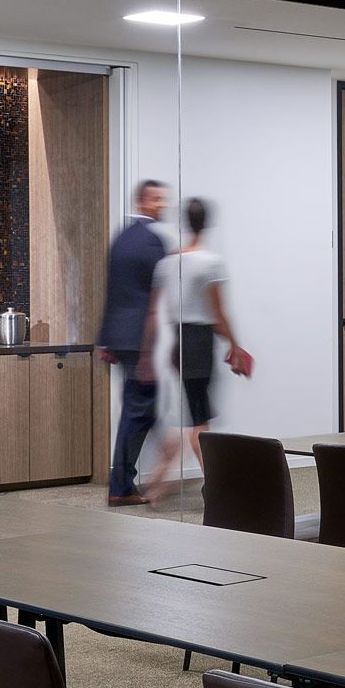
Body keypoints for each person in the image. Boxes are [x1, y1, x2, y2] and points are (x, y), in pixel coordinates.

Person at [145, 197, 249, 501]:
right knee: (199, 417)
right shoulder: (210, 262)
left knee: (193, 412)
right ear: (207, 222)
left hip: (178, 342)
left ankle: (164, 480)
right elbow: (219, 313)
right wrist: (236, 347)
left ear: (185, 223)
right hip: (200, 343)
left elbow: (159, 310)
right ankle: (208, 485)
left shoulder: (167, 262)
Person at [98, 179, 169, 507]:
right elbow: (154, 300)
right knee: (139, 409)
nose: (162, 205)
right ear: (143, 202)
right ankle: (121, 484)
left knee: (139, 407)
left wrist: (106, 339)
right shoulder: (154, 242)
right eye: (157, 200)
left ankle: (130, 479)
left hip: (118, 335)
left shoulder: (121, 238)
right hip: (139, 339)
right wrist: (146, 353)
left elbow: (112, 292)